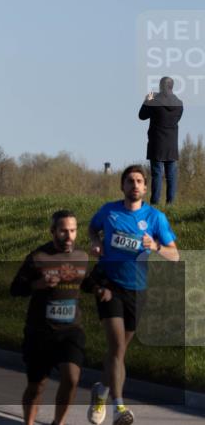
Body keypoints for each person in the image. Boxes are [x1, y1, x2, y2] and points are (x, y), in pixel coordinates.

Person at [86, 165, 180, 425]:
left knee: (119, 353)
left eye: (139, 181)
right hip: (109, 285)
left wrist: (157, 246)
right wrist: (94, 241)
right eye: (130, 181)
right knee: (116, 347)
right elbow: (92, 229)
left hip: (137, 290)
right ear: (122, 186)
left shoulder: (155, 218)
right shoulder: (109, 211)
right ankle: (119, 408)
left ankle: (101, 392)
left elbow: (175, 255)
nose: (135, 185)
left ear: (146, 188)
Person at [11, 210, 96, 425]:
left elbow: (85, 281)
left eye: (73, 231)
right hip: (40, 330)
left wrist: (99, 289)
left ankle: (58, 423)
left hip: (70, 330)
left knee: (72, 378)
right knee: (36, 385)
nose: (69, 237)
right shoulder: (38, 257)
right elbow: (15, 289)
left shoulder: (82, 257)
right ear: (53, 232)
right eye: (63, 231)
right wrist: (37, 285)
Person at [138, 77, 183, 206]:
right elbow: (177, 119)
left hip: (157, 143)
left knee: (157, 174)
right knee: (171, 176)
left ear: (161, 86)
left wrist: (147, 101)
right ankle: (170, 203)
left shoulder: (155, 102)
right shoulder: (179, 103)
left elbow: (141, 116)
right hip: (171, 144)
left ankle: (155, 202)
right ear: (172, 87)